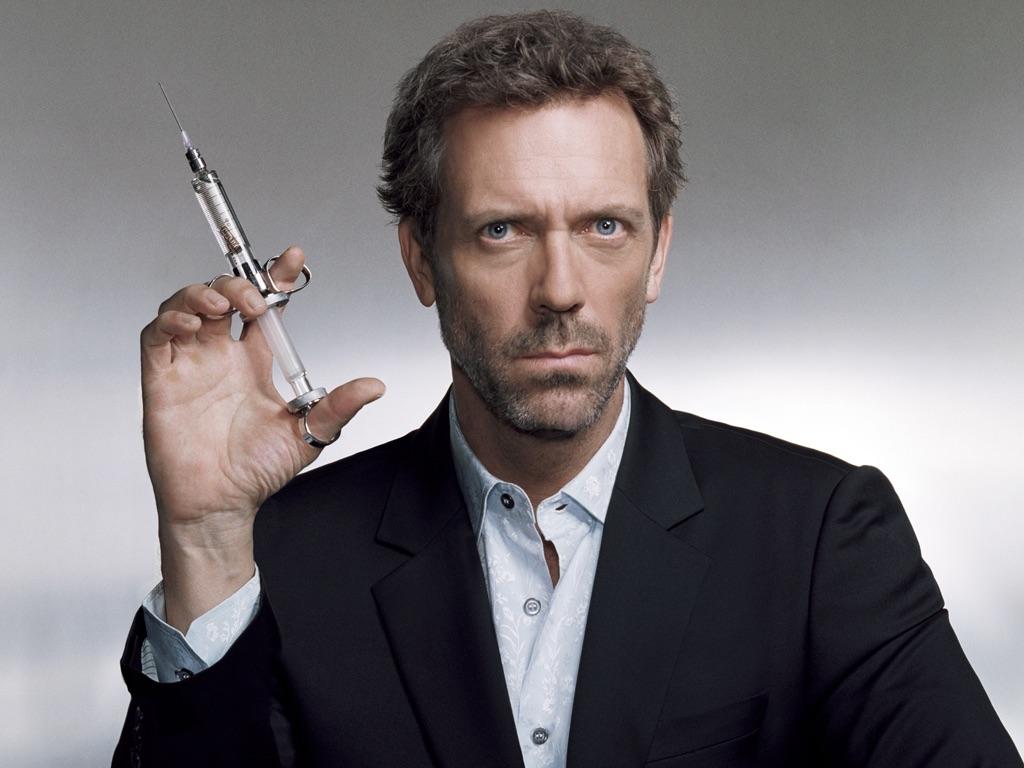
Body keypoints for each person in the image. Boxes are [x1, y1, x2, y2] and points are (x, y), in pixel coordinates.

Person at [114, 10, 1022, 768]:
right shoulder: (280, 561)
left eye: (604, 227)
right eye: (503, 230)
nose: (560, 289)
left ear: (657, 254)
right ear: (421, 259)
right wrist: (204, 540)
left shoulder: (821, 536)